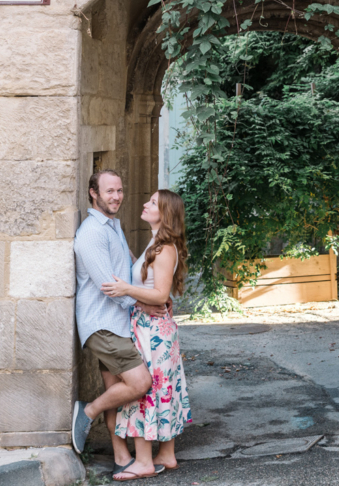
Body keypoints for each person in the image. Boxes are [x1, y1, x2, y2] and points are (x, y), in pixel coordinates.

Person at [101, 190, 192, 480]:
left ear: (165, 214)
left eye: (152, 203)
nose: (144, 204)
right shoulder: (156, 244)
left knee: (147, 393)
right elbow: (144, 274)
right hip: (154, 329)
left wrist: (127, 290)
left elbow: (160, 293)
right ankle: (166, 454)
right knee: (162, 390)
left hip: (152, 332)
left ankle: (143, 461)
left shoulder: (165, 248)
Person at [71, 169, 153, 474]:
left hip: (117, 323)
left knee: (115, 392)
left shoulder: (112, 226)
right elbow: (111, 287)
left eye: (119, 190)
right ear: (94, 193)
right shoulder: (92, 233)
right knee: (140, 382)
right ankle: (87, 411)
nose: (116, 196)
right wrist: (147, 302)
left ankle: (121, 459)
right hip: (103, 324)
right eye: (109, 191)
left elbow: (127, 267)